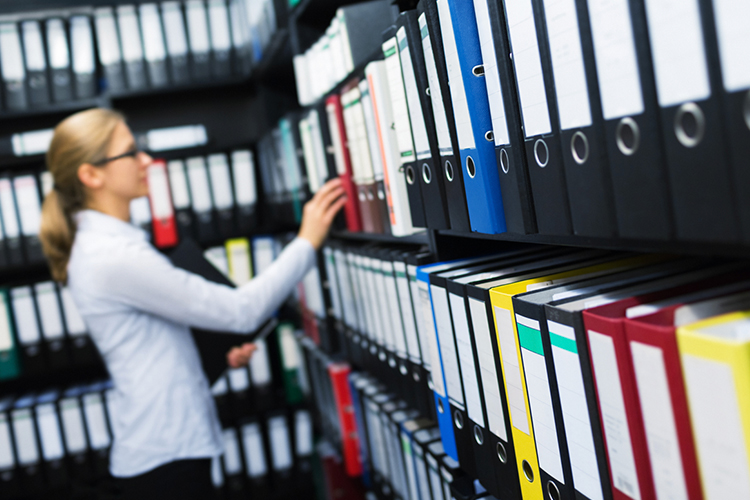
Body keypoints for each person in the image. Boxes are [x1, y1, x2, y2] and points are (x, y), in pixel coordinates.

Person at [39, 108, 346, 499]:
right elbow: (242, 311)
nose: (146, 161)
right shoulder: (112, 256)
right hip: (165, 460)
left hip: (165, 451)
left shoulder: (109, 247)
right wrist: (307, 241)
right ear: (91, 174)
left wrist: (212, 354)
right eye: (131, 152)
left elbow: (146, 341)